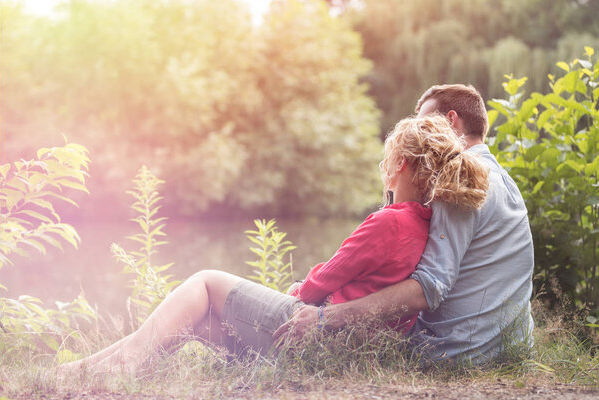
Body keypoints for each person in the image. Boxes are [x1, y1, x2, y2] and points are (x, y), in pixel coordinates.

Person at [57, 115, 488, 374]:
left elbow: (327, 278)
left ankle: (121, 363)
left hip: (321, 333)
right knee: (200, 322)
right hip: (352, 346)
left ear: (400, 165)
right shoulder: (427, 225)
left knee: (205, 281)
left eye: (386, 164)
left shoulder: (390, 222)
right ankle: (88, 369)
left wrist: (295, 293)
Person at [274, 84, 535, 365]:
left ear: (450, 121)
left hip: (454, 353)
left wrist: (326, 318)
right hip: (509, 350)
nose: (421, 134)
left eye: (424, 123)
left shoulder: (459, 184)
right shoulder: (504, 181)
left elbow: (429, 287)